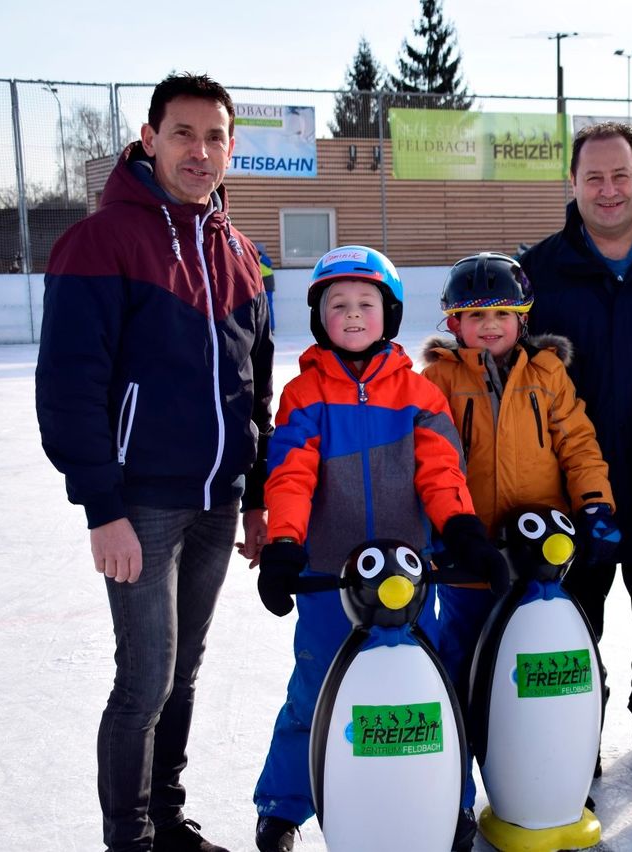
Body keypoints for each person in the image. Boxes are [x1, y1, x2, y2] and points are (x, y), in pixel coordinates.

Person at [35, 73, 272, 852]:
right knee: (144, 682)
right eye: (182, 134)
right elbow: (70, 384)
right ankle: (128, 840)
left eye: (214, 137)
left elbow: (253, 383)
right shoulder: (101, 241)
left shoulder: (238, 250)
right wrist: (102, 506)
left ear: (230, 149)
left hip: (219, 501)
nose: (199, 151)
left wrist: (258, 492)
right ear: (150, 138)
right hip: (141, 504)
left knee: (184, 675)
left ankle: (168, 820)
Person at [251, 245, 508, 852]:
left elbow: (442, 474)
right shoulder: (303, 394)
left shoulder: (418, 395)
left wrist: (463, 533)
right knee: (314, 691)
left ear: (389, 314)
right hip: (329, 583)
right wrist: (285, 545)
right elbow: (290, 474)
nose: (354, 314)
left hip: (410, 579)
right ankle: (284, 805)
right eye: (338, 304)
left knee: (431, 689)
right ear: (320, 319)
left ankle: (454, 799)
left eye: (367, 302)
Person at [519, 121, 632, 759]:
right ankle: (572, 752)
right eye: (593, 177)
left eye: (621, 174)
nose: (608, 189)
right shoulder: (536, 273)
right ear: (572, 185)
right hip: (567, 496)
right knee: (567, 632)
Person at [420, 251, 620, 806]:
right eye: (475, 316)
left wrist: (596, 506)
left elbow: (578, 444)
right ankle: (453, 786)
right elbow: (422, 460)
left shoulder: (547, 373)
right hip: (466, 557)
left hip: (541, 554)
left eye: (502, 315)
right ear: (452, 322)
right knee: (461, 666)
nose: (490, 327)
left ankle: (559, 761)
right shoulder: (436, 380)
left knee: (547, 665)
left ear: (523, 318)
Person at [256, 242, 276, 333]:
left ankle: (270, 328)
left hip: (267, 283)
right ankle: (266, 328)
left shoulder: (263, 259)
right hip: (262, 283)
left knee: (268, 306)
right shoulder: (259, 259)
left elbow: (268, 264)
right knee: (263, 307)